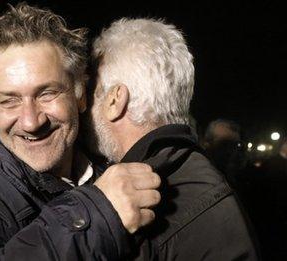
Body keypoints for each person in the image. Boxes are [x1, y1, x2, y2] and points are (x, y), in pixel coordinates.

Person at [0, 4, 161, 261]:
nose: (30, 122)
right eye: (9, 101)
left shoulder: (100, 160)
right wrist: (96, 215)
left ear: (80, 94)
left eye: (47, 93)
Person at [85, 18, 260, 260]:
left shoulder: (152, 206)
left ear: (115, 101)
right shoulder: (192, 172)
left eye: (92, 92)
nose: (83, 107)